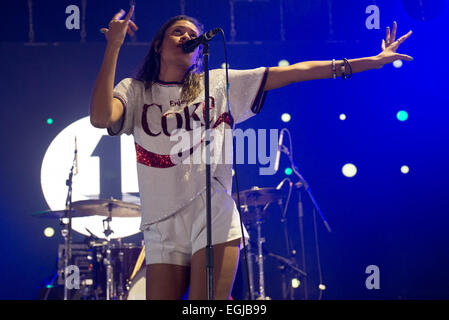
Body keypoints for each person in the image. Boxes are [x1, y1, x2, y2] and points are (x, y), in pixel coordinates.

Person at [90, 6, 412, 300]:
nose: (187, 37)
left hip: (213, 211)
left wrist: (370, 62)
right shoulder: (134, 90)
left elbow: (297, 72)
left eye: (192, 35)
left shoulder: (217, 83)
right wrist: (113, 47)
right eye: (178, 32)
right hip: (162, 220)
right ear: (158, 45)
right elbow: (101, 118)